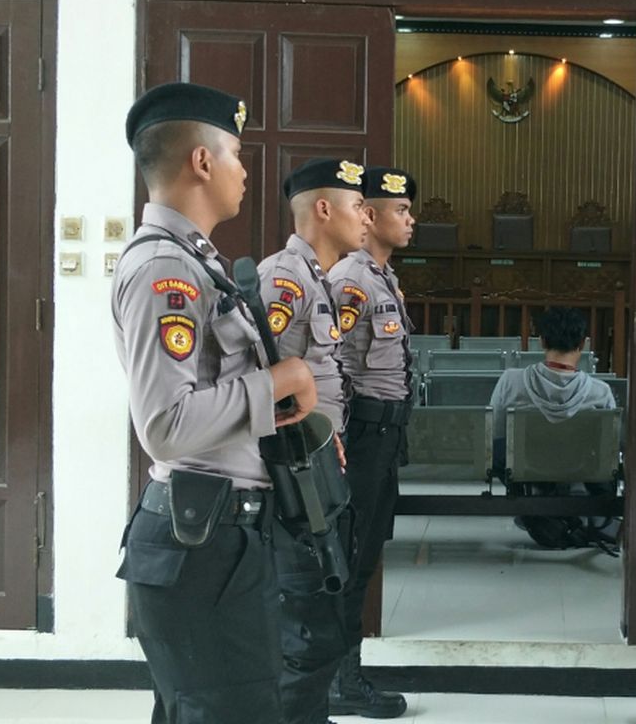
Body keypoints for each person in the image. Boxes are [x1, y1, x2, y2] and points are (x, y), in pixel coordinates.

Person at [112, 82, 319, 723]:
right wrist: (279, 380)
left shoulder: (199, 264)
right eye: (235, 153)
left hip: (219, 539)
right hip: (200, 542)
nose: (245, 170)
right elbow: (165, 426)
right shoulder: (163, 272)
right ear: (201, 162)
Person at [258, 157, 370, 724]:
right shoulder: (284, 277)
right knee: (303, 634)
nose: (366, 219)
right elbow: (266, 380)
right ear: (323, 210)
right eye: (357, 207)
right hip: (295, 480)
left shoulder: (318, 278)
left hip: (318, 474)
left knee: (321, 624)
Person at [325, 166, 418, 719]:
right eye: (400, 210)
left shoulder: (381, 277)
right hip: (360, 435)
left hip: (384, 435)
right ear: (369, 215)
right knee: (349, 554)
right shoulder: (352, 280)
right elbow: (332, 364)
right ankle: (340, 679)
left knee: (364, 556)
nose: (410, 220)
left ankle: (346, 673)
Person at [489, 307, 619, 550]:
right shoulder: (600, 391)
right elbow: (609, 448)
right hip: (579, 467)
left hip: (525, 466)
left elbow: (495, 433)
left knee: (499, 449)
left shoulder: (511, 380)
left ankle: (534, 500)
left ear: (542, 341)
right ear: (582, 343)